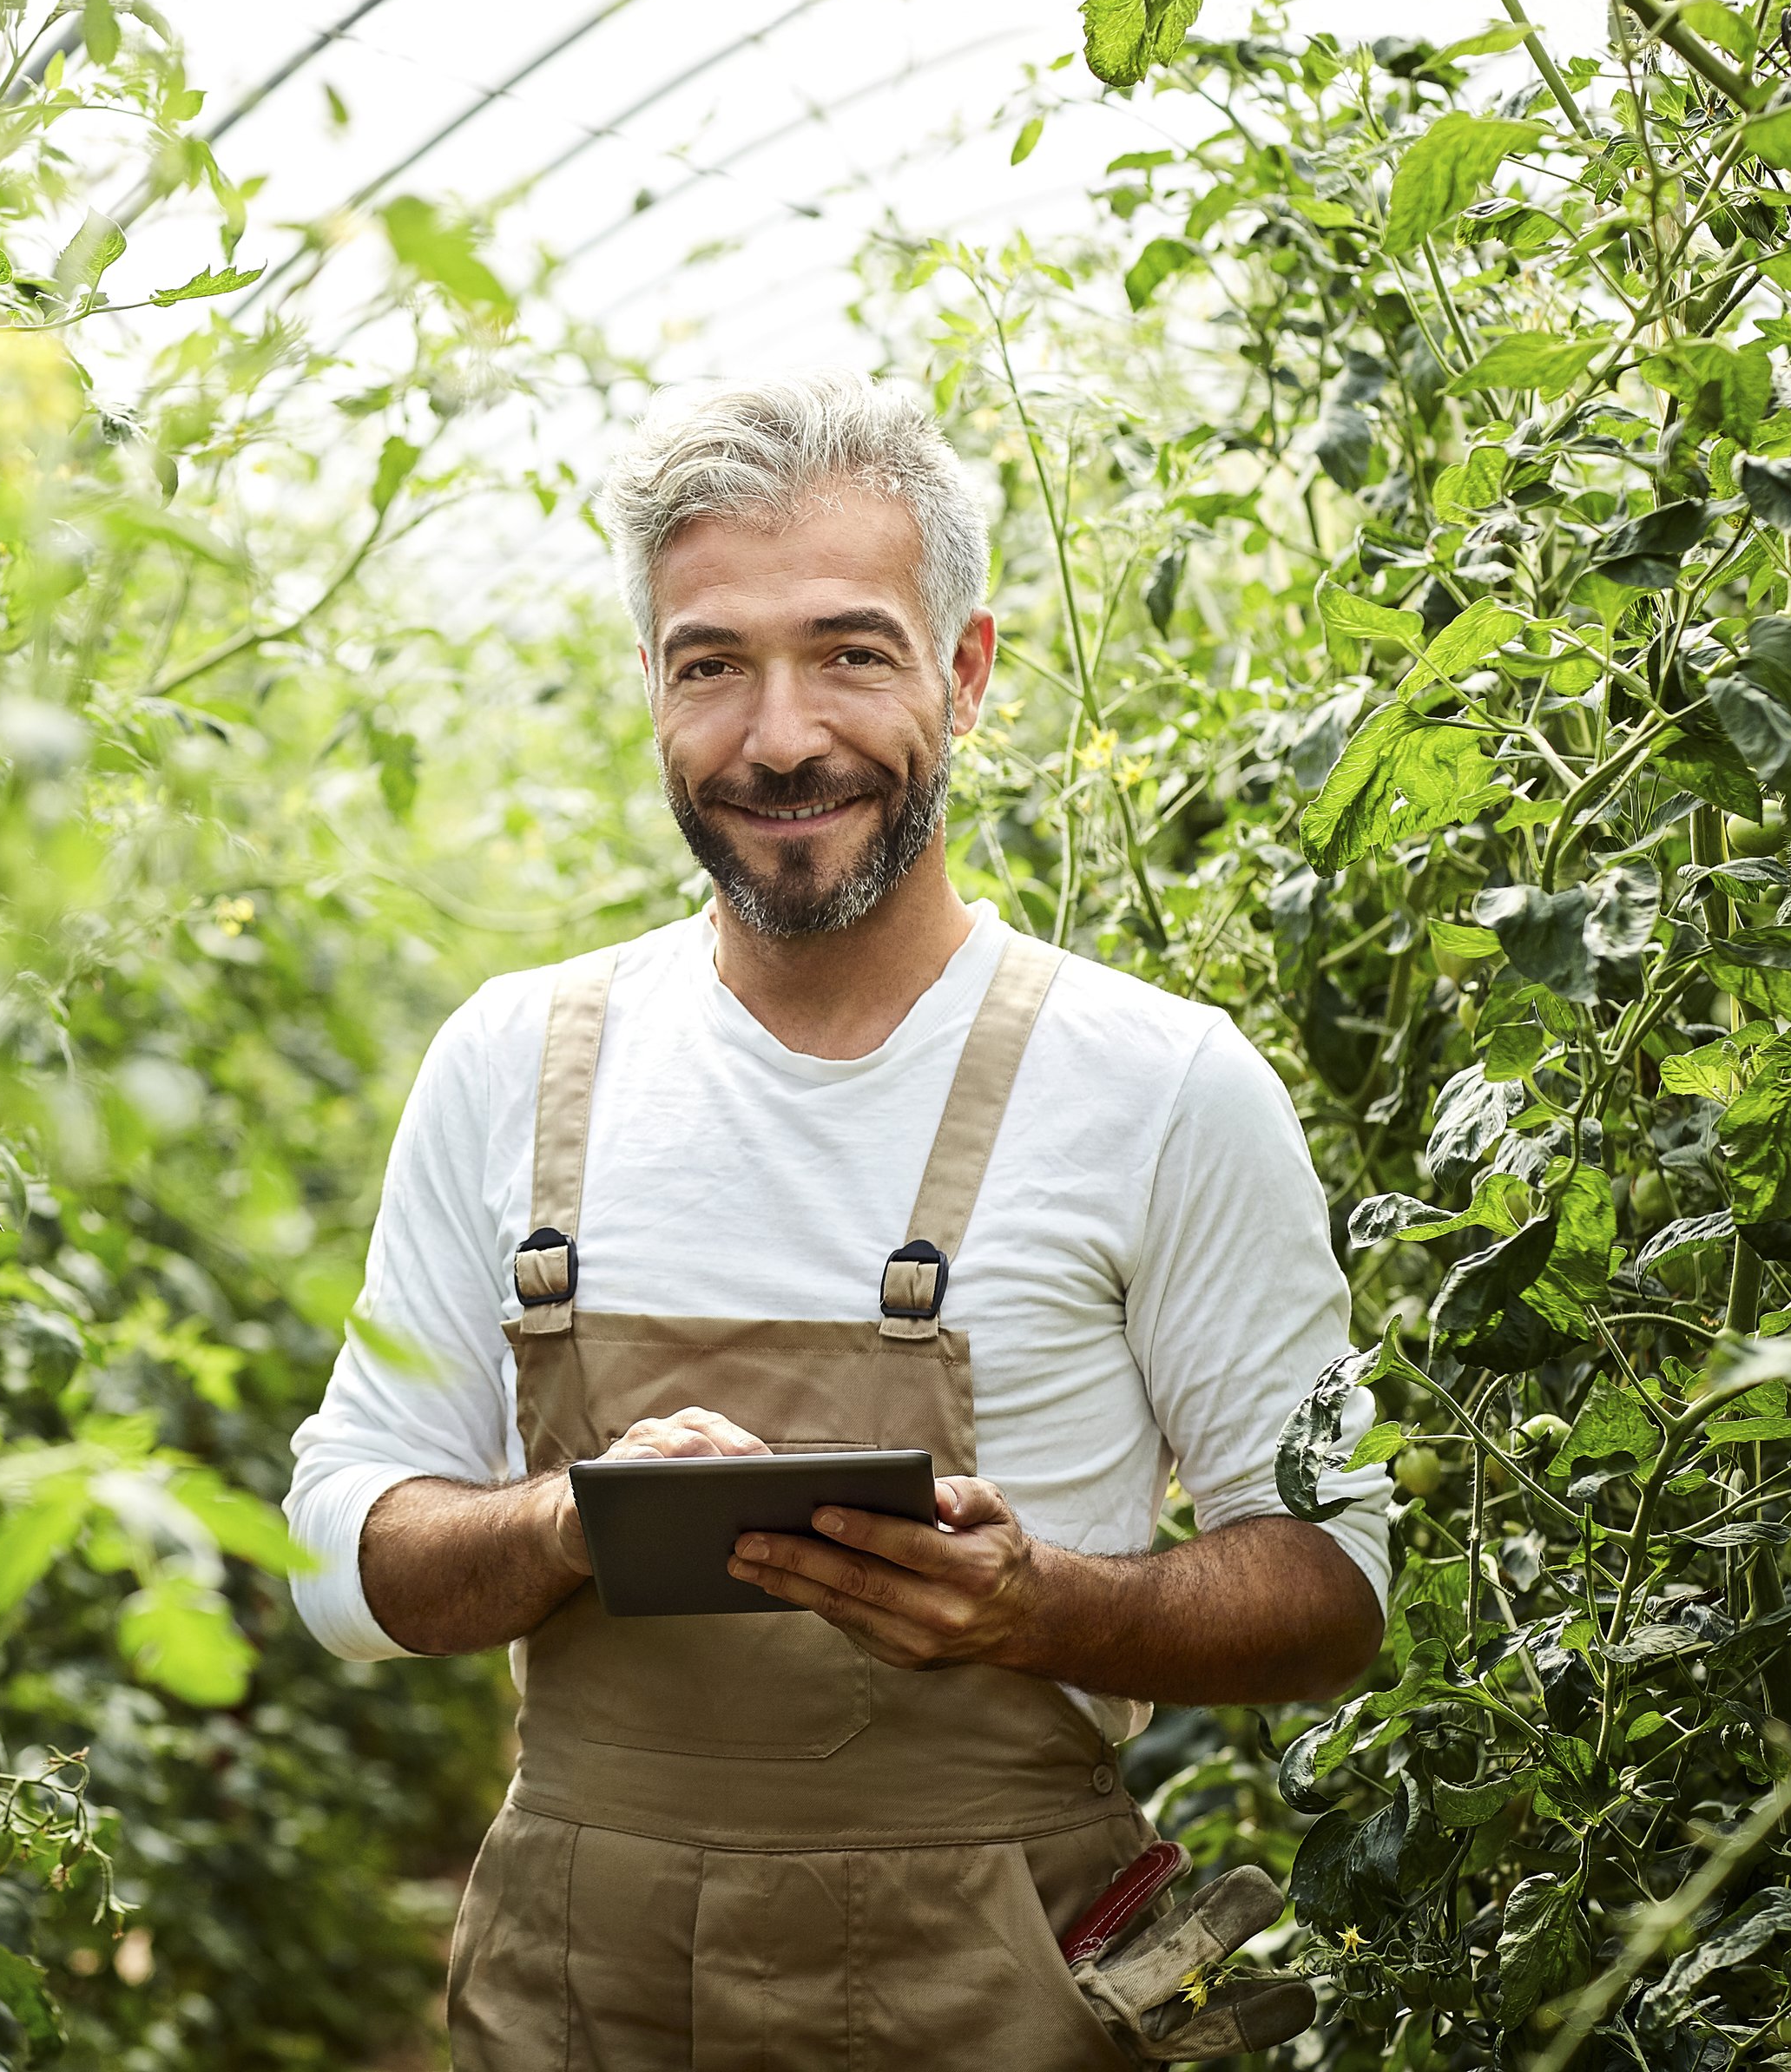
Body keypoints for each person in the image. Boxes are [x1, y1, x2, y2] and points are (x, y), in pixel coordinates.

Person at [283, 369, 1389, 2069]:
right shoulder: (513, 1060)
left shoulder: (1160, 1085)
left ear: (965, 668)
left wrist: (1046, 1604)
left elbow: (1329, 1587)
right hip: (582, 1986)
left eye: (850, 652)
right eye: (711, 662)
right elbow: (340, 1551)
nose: (780, 734)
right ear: (649, 687)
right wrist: (575, 1522)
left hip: (997, 1983)